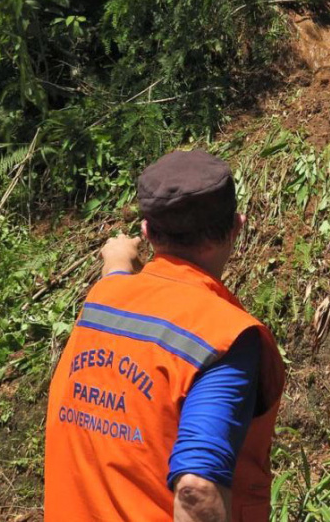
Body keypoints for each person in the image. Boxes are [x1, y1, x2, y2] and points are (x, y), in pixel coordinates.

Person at [44, 149, 285, 522]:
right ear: (237, 226)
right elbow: (196, 490)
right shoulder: (225, 338)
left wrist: (117, 255)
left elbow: (116, 278)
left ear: (147, 232)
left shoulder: (102, 301)